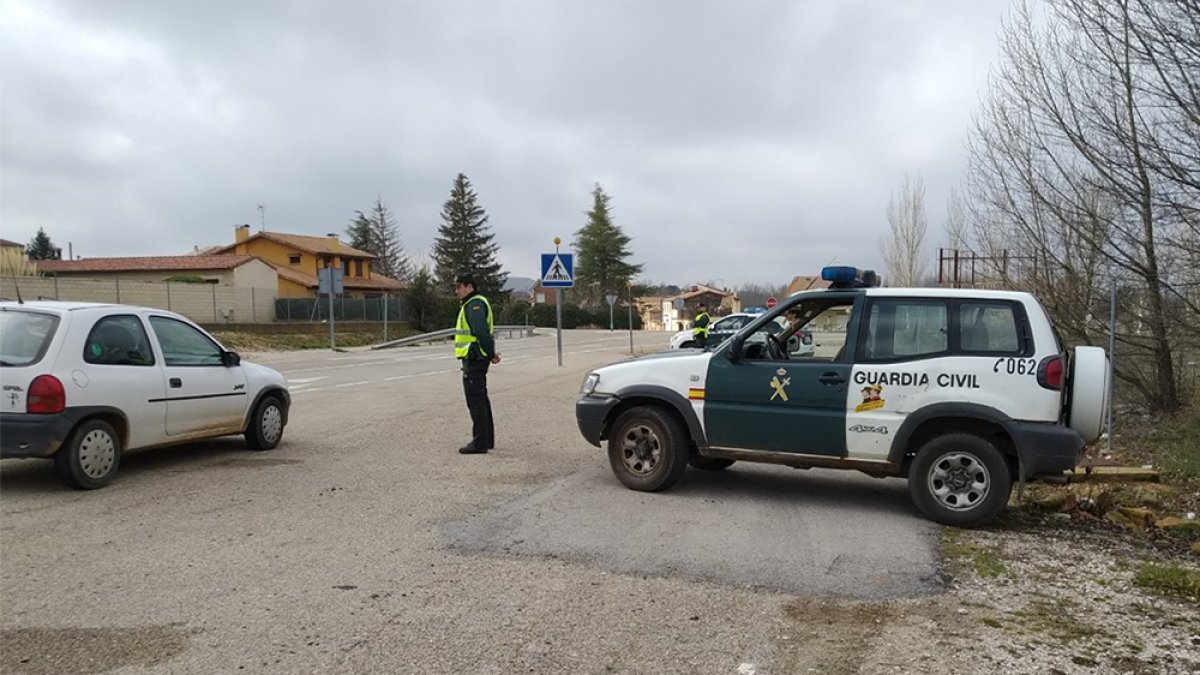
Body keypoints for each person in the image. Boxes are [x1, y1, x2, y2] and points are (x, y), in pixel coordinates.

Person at [453, 273, 500, 454]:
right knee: (481, 398)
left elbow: (481, 332)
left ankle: (480, 442)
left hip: (474, 357)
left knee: (476, 401)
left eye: (459, 287)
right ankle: (486, 439)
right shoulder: (474, 303)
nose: (457, 291)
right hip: (477, 357)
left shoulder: (474, 305)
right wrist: (490, 354)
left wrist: (490, 354)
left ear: (470, 287)